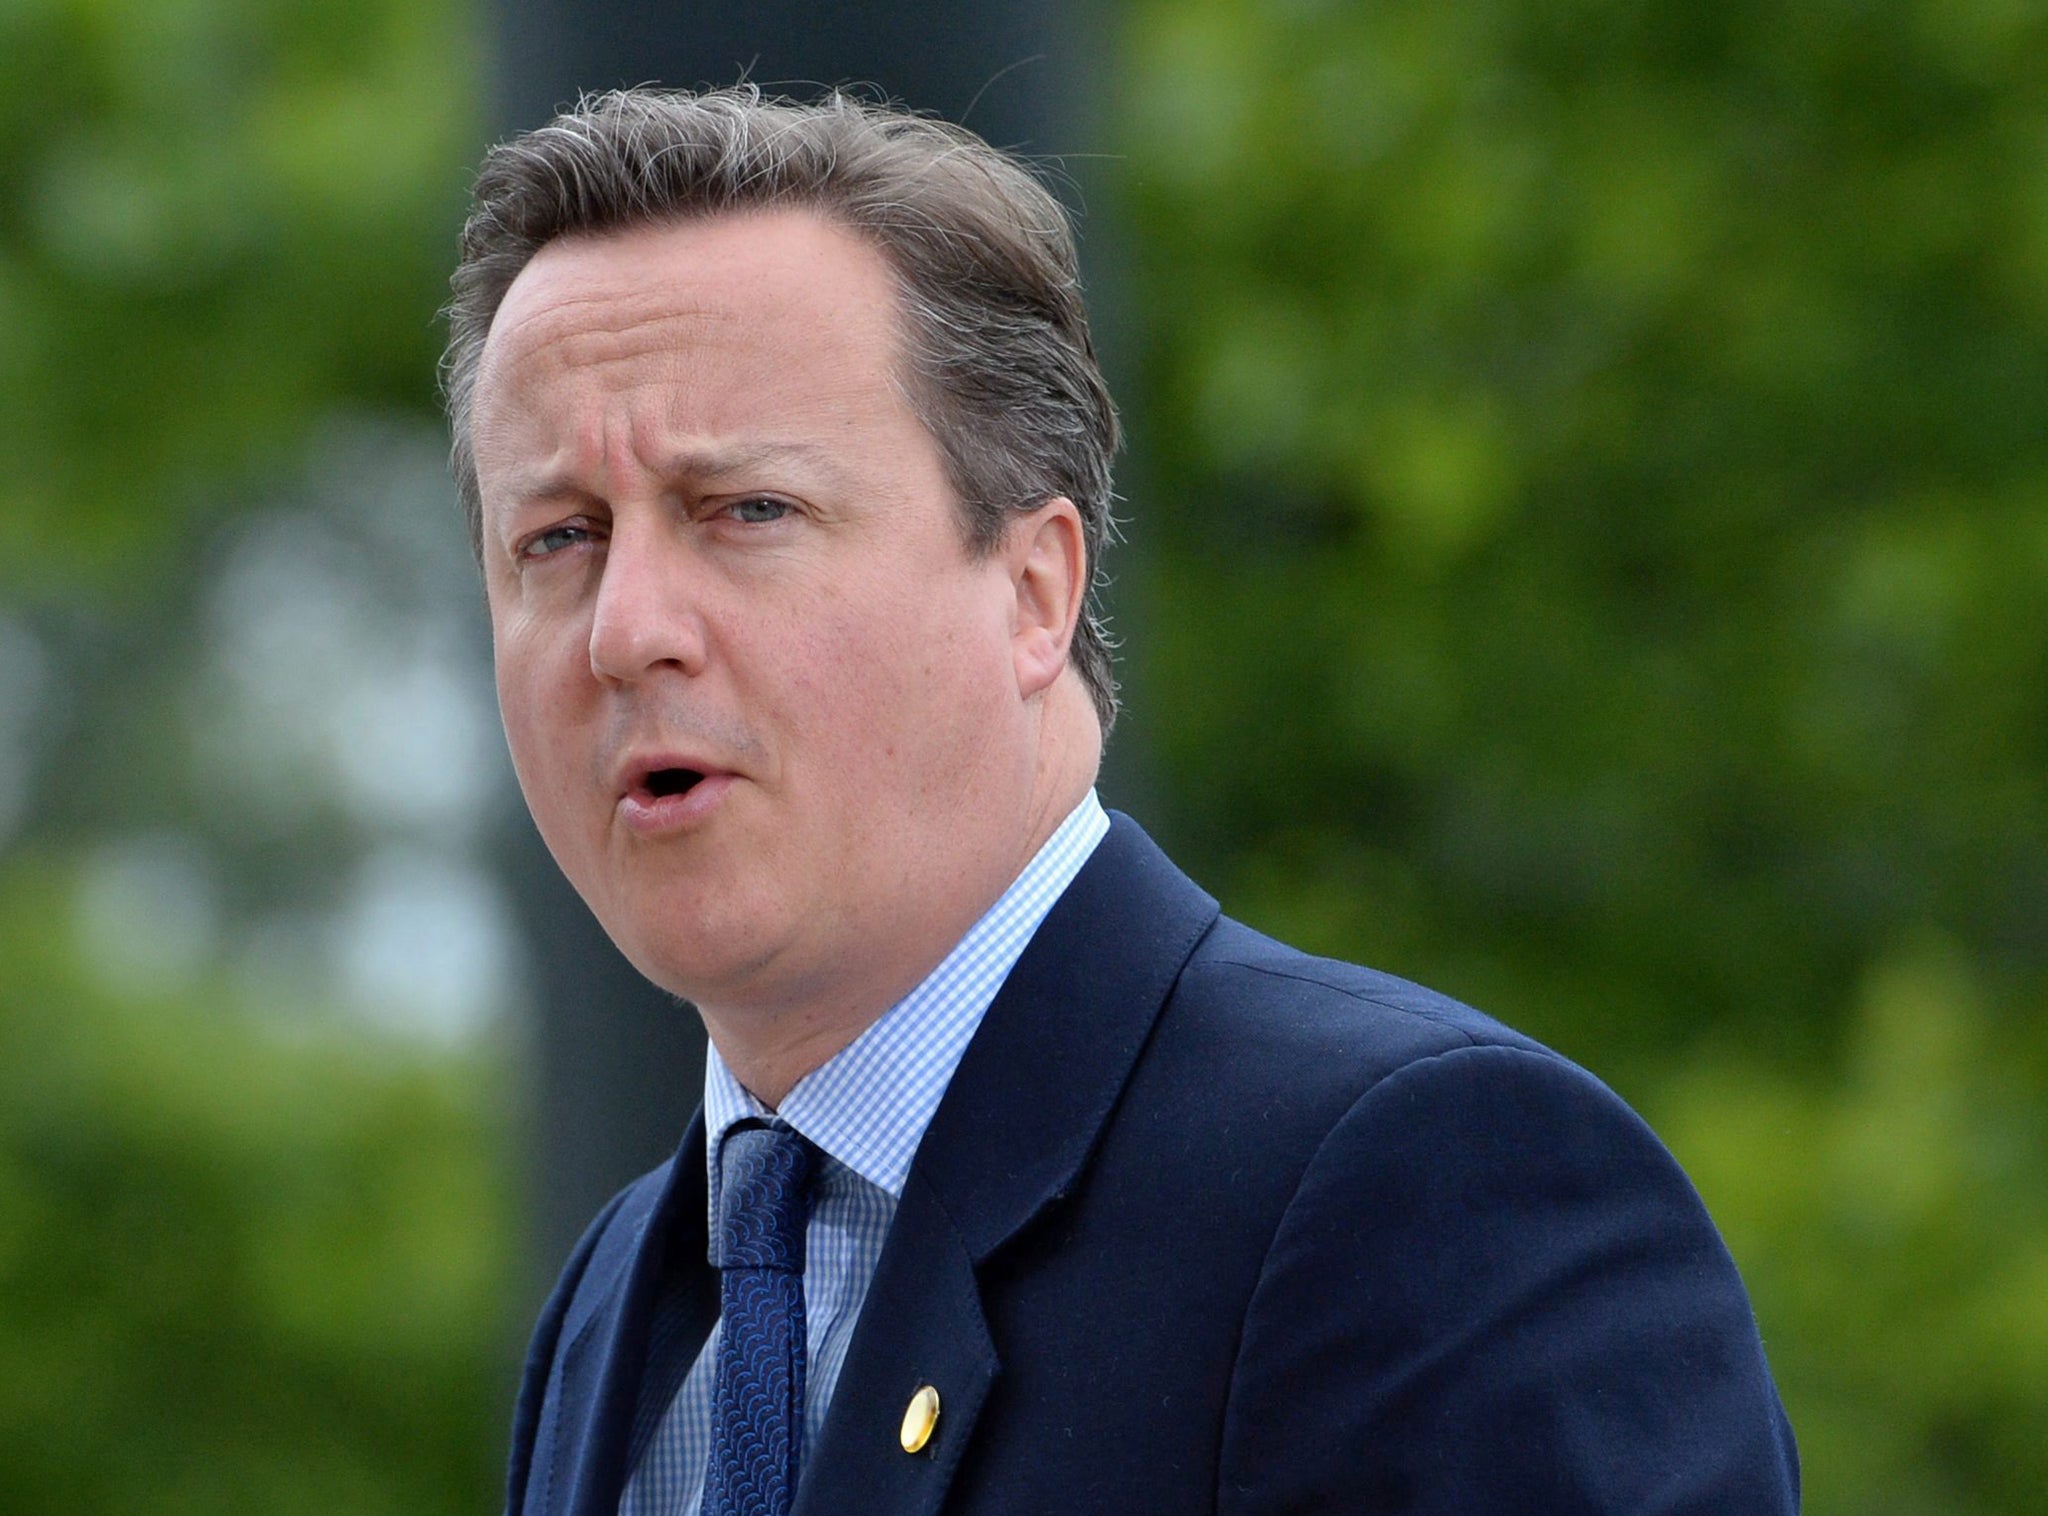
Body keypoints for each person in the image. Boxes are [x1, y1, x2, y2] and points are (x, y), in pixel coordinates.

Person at [443, 86, 1800, 1516]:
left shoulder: (1427, 1197)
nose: (626, 626)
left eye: (746, 511)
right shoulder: (617, 1305)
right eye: (561, 538)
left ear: (1034, 593)